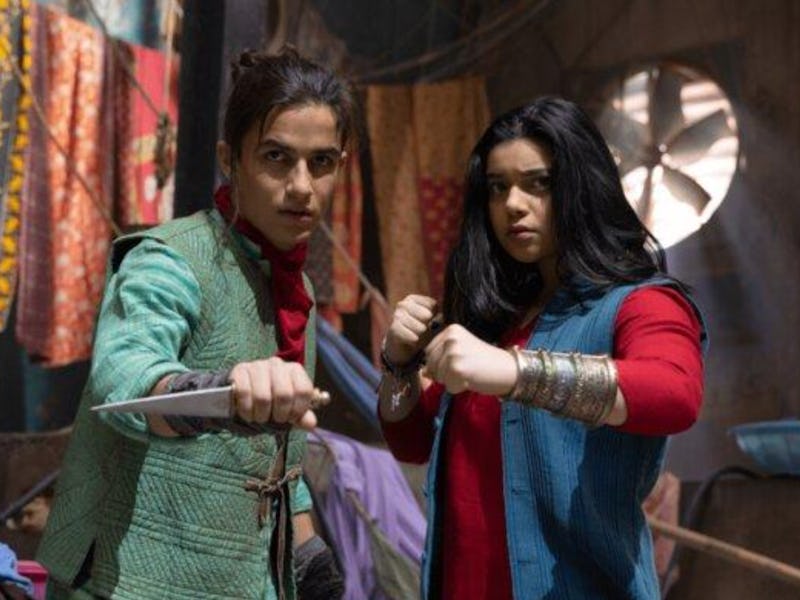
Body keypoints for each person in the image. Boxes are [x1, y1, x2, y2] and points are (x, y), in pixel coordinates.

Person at [37, 47, 355, 600]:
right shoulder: (168, 260)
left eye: (321, 162)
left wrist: (307, 553)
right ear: (230, 160)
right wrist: (219, 391)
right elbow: (125, 378)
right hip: (129, 582)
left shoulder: (294, 287)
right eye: (277, 158)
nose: (302, 185)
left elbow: (281, 454)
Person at [378, 97, 707, 599]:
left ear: (581, 186)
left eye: (539, 183)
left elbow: (675, 394)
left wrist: (515, 372)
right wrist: (399, 363)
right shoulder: (499, 322)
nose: (513, 203)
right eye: (498, 187)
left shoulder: (640, 303)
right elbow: (414, 442)